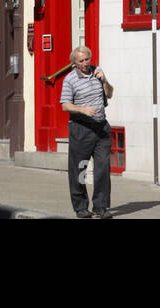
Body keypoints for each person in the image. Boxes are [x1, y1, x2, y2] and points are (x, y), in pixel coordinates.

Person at [59, 45, 115, 219]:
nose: (85, 63)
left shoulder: (98, 73)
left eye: (87, 59)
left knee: (102, 169)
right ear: (74, 62)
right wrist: (82, 109)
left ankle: (101, 207)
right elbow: (65, 105)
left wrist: (105, 80)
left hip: (101, 128)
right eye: (81, 61)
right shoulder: (69, 80)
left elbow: (110, 94)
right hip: (81, 128)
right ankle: (81, 207)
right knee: (80, 170)